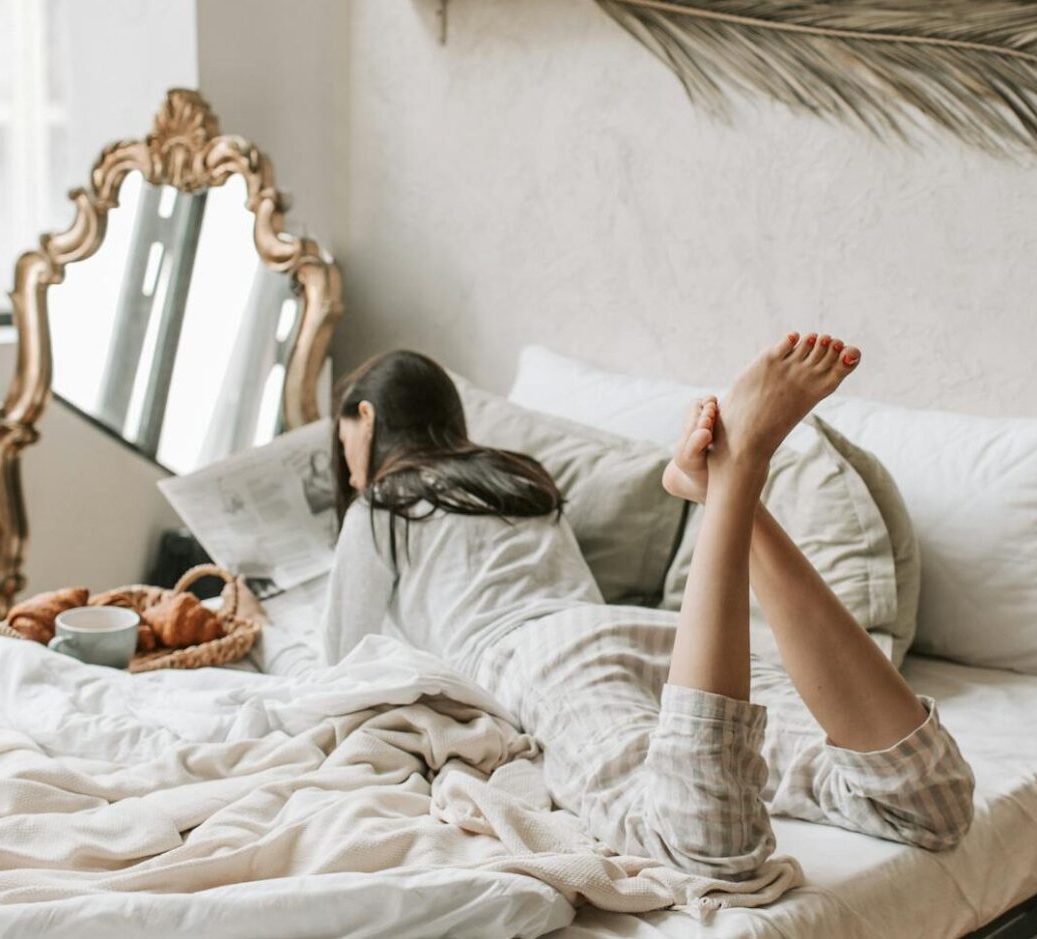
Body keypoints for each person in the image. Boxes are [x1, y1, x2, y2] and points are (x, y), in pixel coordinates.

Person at [320, 334, 975, 881]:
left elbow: (341, 660)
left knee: (700, 839)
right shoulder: (517, 479)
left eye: (343, 434)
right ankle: (722, 492)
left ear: (367, 419)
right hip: (647, 636)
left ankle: (735, 475)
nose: (347, 459)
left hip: (535, 655)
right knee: (926, 801)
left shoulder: (384, 502)